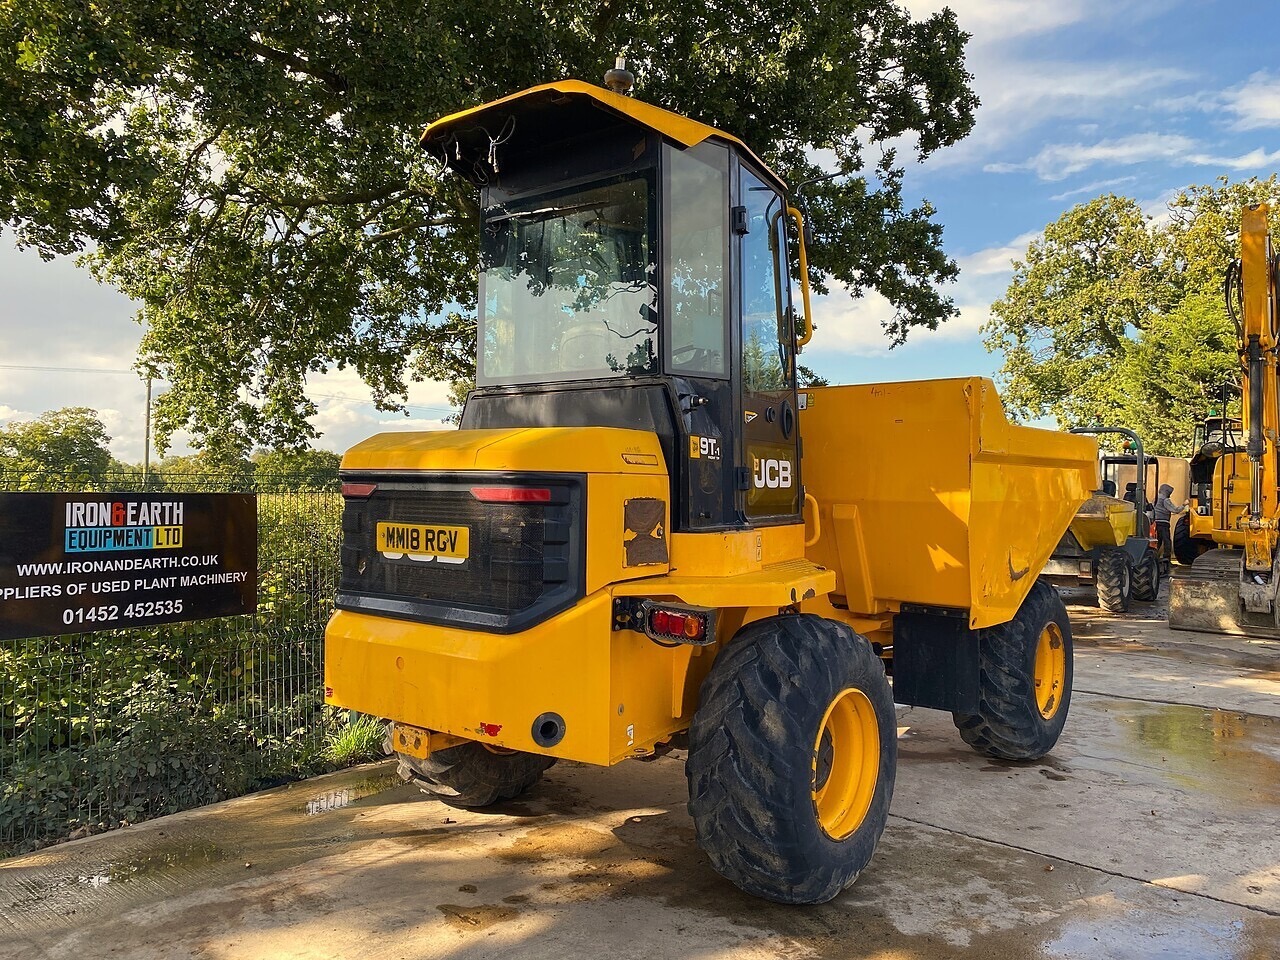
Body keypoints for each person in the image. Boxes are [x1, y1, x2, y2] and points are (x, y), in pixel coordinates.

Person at [1154, 483, 1188, 560]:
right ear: (1166, 492)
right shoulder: (1165, 500)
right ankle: (1167, 559)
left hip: (1156, 523)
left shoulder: (1156, 499)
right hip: (1163, 523)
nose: (1170, 495)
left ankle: (1154, 558)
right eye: (1170, 493)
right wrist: (1184, 504)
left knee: (1158, 542)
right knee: (1167, 542)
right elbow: (1175, 510)